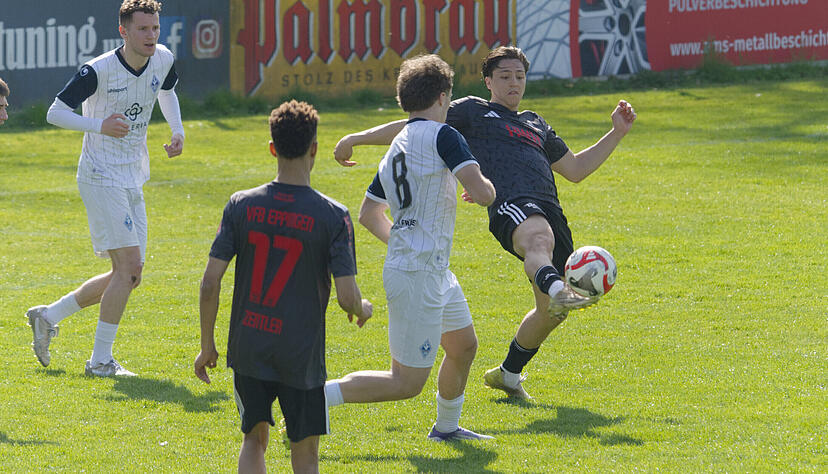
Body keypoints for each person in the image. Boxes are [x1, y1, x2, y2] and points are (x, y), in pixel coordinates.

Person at [333, 46, 637, 400]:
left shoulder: (536, 123)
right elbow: (415, 125)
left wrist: (616, 133)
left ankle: (508, 374)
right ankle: (557, 289)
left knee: (550, 314)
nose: (514, 83)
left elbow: (576, 169)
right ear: (488, 81)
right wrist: (357, 138)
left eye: (520, 76)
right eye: (505, 76)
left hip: (549, 209)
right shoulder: (473, 111)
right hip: (510, 203)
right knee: (538, 243)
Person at [194, 100, 373, 474]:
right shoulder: (333, 215)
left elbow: (210, 282)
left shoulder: (240, 204)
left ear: (272, 148)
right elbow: (347, 297)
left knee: (253, 440)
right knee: (305, 454)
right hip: (301, 354)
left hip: (249, 345)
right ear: (315, 149)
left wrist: (207, 344)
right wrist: (363, 307)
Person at [324, 54, 497, 442]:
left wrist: (406, 241)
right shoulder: (444, 136)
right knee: (405, 382)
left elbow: (369, 214)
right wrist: (485, 188)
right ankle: (314, 397)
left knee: (463, 346)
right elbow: (484, 193)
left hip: (429, 269)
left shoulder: (398, 145)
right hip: (418, 272)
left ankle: (446, 428)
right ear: (442, 97)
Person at [27, 0, 185, 376]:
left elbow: (166, 91)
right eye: (143, 29)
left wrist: (177, 130)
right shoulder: (97, 70)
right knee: (128, 269)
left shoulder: (163, 58)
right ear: (123, 31)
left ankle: (48, 316)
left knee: (130, 274)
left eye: (155, 28)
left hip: (132, 174)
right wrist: (100, 126)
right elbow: (55, 112)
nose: (151, 35)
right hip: (100, 175)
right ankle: (100, 362)